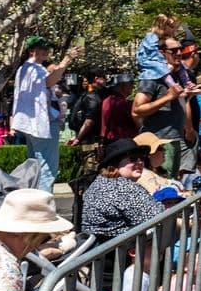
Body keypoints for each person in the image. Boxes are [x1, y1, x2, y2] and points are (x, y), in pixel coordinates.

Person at [11, 36, 82, 192]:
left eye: (47, 49)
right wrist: (66, 60)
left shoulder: (27, 68)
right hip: (41, 124)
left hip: (34, 124)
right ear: (31, 50)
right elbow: (49, 82)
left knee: (35, 168)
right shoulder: (32, 68)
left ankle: (35, 205)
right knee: (46, 170)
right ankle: (43, 208)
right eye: (41, 48)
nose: (46, 51)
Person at [132, 35, 197, 176]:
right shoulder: (152, 77)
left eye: (180, 49)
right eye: (174, 50)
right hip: (159, 144)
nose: (179, 53)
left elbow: (180, 103)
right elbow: (137, 110)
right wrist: (168, 97)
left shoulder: (179, 75)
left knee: (173, 187)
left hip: (175, 141)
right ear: (162, 53)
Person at [80, 139, 167, 242]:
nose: (140, 162)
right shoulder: (123, 187)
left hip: (99, 249)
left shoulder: (98, 182)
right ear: (115, 164)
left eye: (141, 158)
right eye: (133, 158)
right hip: (121, 250)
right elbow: (159, 218)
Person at [99, 74, 137, 142]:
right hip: (122, 140)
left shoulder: (106, 100)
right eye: (131, 84)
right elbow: (136, 120)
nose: (133, 86)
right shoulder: (122, 103)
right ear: (123, 85)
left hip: (108, 139)